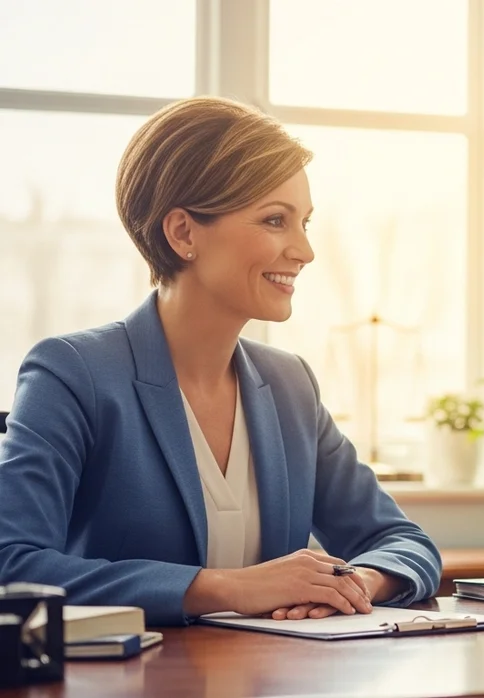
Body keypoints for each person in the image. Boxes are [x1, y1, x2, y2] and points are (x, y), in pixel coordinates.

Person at [0, 96, 442, 626]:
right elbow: (13, 564)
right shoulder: (72, 374)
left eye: (305, 222)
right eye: (276, 220)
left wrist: (350, 583)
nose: (305, 250)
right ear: (183, 233)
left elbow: (402, 541)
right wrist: (229, 588)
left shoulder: (290, 385)